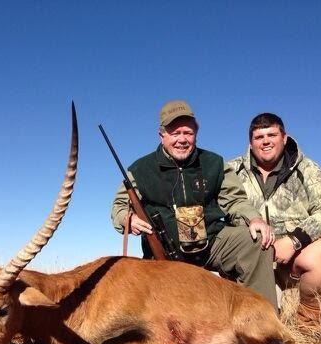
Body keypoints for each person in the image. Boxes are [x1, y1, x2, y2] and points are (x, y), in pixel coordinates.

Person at [111, 100, 278, 310]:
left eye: (188, 133)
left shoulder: (214, 163)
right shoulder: (140, 169)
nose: (182, 139)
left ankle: (264, 320)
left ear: (196, 134)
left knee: (256, 241)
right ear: (162, 135)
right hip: (164, 254)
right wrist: (128, 219)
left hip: (212, 243)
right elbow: (119, 206)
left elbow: (235, 200)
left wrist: (253, 218)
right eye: (175, 133)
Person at [228, 113, 321, 329]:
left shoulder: (308, 169)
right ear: (250, 142)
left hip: (291, 259)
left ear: (284, 138)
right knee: (256, 328)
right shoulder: (230, 171)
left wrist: (294, 240)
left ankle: (308, 323)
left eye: (272, 135)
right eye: (259, 137)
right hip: (248, 263)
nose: (265, 141)